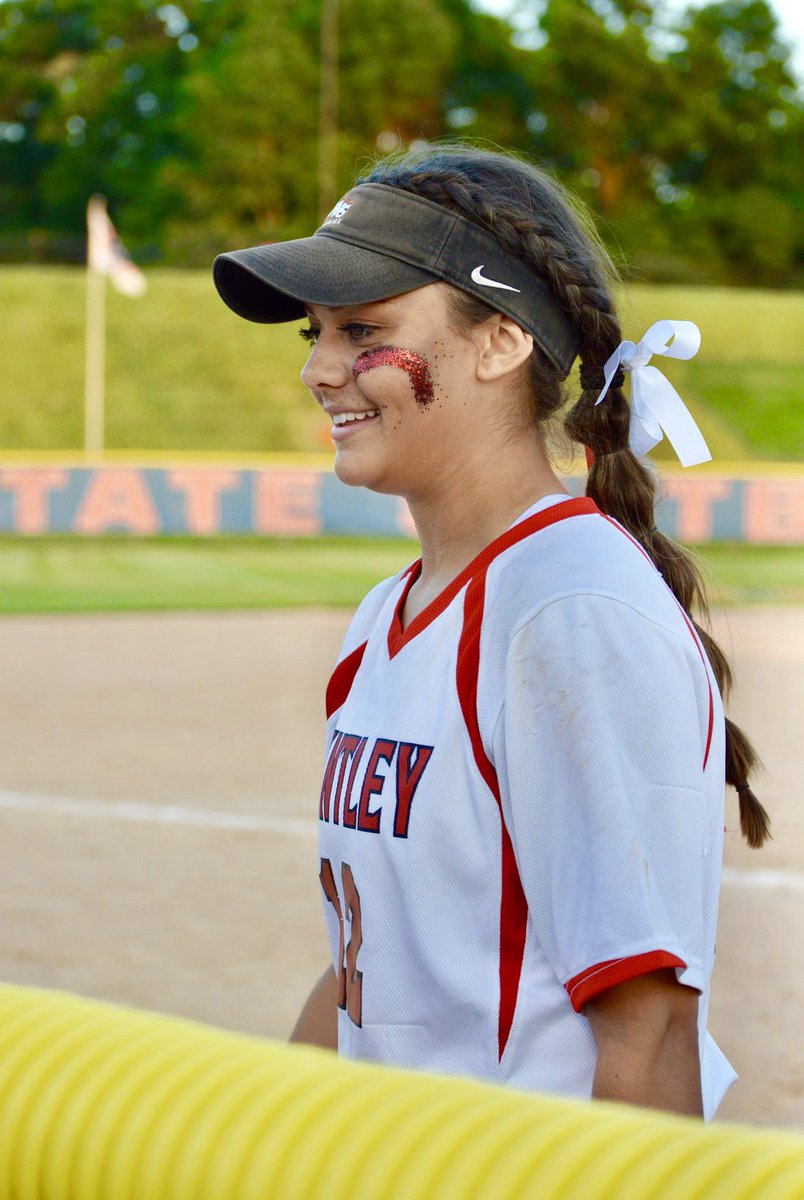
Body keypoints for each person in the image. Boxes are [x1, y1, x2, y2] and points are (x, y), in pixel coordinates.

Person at [212, 145, 770, 1120]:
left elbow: (650, 1030)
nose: (317, 368)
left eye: (364, 329)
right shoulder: (387, 614)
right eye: (314, 333)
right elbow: (367, 981)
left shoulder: (569, 612)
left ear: (502, 340)